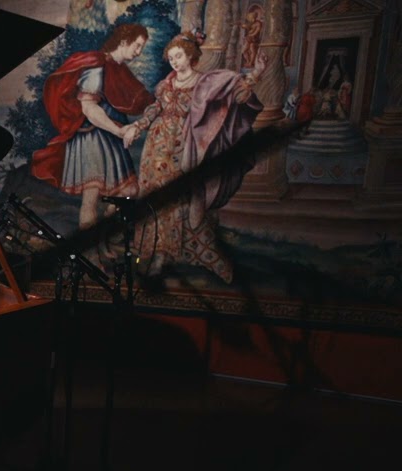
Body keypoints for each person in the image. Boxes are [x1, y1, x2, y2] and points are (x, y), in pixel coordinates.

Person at [121, 33, 265, 283]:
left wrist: (257, 73)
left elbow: (237, 93)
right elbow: (156, 108)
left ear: (190, 56)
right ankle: (152, 250)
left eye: (178, 56)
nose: (174, 62)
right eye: (171, 58)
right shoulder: (166, 84)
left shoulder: (204, 83)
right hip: (155, 149)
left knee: (177, 199)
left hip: (184, 149)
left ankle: (167, 253)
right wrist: (137, 126)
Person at [31, 23, 156, 229]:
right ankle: (92, 246)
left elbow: (145, 101)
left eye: (142, 47)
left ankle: (103, 235)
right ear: (124, 42)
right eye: (137, 45)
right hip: (91, 136)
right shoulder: (97, 66)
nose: (139, 52)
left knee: (130, 191)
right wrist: (119, 130)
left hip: (111, 136)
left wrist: (132, 126)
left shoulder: (120, 70)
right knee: (91, 196)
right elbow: (89, 108)